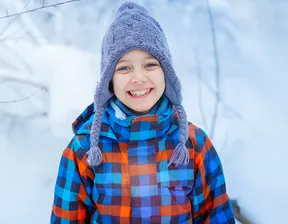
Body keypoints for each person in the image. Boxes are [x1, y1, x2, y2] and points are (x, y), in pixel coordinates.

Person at [50, 1, 235, 223]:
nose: (138, 78)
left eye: (150, 65)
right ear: (109, 81)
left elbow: (215, 216)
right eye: (124, 68)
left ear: (166, 73)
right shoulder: (86, 149)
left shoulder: (193, 146)